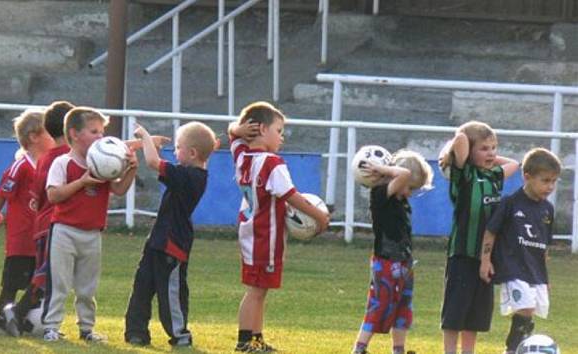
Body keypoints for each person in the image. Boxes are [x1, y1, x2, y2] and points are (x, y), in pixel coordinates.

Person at [229, 101, 330, 353]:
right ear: (261, 129)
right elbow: (291, 196)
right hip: (265, 235)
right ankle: (244, 342)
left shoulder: (241, 155)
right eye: (279, 131)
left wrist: (238, 130)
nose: (281, 137)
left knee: (259, 289)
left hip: (250, 232)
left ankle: (256, 338)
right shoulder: (272, 163)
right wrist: (320, 216)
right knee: (256, 290)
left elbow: (233, 135)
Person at [41, 107, 138, 342]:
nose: (100, 136)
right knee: (59, 283)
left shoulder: (105, 163)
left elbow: (118, 189)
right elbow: (53, 196)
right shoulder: (63, 163)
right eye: (94, 131)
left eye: (102, 132)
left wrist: (131, 169)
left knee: (87, 286)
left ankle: (86, 329)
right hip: (64, 231)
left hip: (92, 233)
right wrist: (81, 182)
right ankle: (51, 327)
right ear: (74, 134)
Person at [124, 121, 216, 348]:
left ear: (192, 153)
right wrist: (144, 143)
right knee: (142, 286)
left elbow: (153, 161)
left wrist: (145, 136)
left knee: (170, 293)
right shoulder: (185, 172)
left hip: (173, 244)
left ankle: (180, 335)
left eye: (178, 147)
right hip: (157, 240)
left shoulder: (192, 176)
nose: (175, 152)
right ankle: (136, 332)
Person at [438, 121, 520, 354]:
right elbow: (461, 140)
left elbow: (515, 164)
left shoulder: (494, 175)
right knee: (455, 310)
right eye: (484, 148)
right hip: (463, 253)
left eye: (494, 147)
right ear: (468, 153)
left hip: (486, 257)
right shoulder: (464, 175)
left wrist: (490, 156)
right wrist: (451, 153)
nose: (491, 153)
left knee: (475, 314)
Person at [351, 150, 433, 354]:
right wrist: (381, 169)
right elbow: (403, 173)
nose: (410, 193)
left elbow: (403, 176)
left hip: (404, 262)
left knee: (404, 307)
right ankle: (359, 348)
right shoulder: (380, 196)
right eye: (410, 188)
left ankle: (399, 349)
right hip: (385, 263)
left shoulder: (400, 200)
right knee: (379, 304)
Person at [3, 101, 74, 336]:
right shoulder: (59, 156)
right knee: (47, 274)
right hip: (49, 226)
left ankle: (29, 317)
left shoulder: (48, 158)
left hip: (48, 225)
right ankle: (17, 313)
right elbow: (4, 192)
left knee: (50, 275)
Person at [479, 148, 561, 354]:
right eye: (545, 181)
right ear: (527, 177)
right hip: (513, 266)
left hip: (535, 270)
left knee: (530, 311)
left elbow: (544, 245)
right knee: (524, 307)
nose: (550, 187)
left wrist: (545, 277)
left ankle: (522, 343)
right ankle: (512, 348)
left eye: (554, 181)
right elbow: (490, 232)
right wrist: (485, 260)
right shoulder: (510, 203)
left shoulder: (547, 209)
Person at [0, 109, 54, 330]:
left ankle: (23, 317)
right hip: (20, 239)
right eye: (49, 133)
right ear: (34, 137)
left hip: (40, 238)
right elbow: (2, 194)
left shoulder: (49, 166)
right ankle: (2, 319)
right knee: (12, 282)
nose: (54, 138)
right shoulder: (21, 166)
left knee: (37, 282)